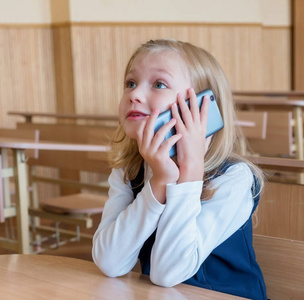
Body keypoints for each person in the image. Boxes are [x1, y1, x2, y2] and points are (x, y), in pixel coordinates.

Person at [92, 39, 267, 299]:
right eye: (130, 83)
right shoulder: (130, 171)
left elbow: (167, 273)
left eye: (158, 84)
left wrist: (190, 170)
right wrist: (160, 182)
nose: (134, 95)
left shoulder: (234, 178)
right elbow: (110, 262)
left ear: (201, 106)